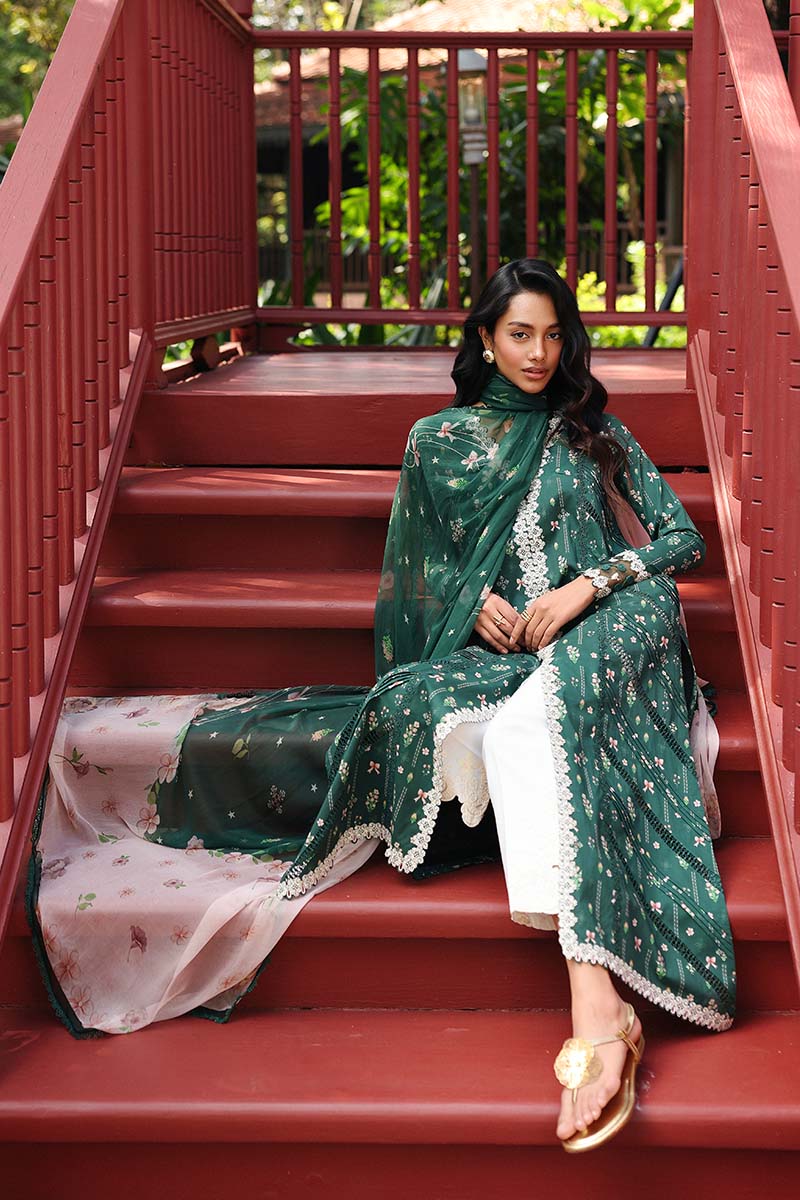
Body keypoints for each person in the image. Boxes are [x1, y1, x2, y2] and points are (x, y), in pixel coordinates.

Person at [29, 259, 734, 1154]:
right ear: (485, 340)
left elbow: (681, 538)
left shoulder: (591, 430)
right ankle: (603, 1008)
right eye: (520, 334)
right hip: (511, 655)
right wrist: (473, 603)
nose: (539, 354)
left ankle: (595, 1007)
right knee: (429, 705)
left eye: (555, 336)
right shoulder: (438, 441)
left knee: (530, 728)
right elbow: (421, 572)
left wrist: (589, 585)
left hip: (607, 627)